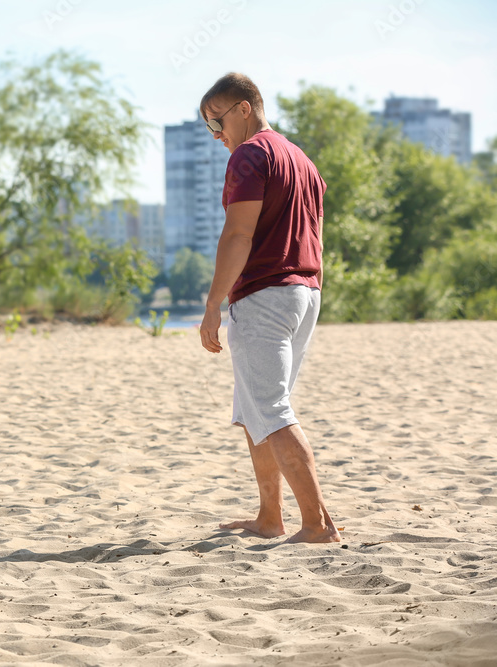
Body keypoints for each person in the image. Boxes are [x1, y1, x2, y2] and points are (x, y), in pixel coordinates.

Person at [197, 73, 339, 544]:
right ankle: (269, 518)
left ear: (244, 108)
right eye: (208, 128)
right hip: (305, 292)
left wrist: (213, 302)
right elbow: (315, 233)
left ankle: (316, 525)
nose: (217, 136)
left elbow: (238, 234)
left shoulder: (250, 154)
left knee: (273, 409)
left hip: (265, 295)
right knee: (255, 409)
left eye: (217, 122)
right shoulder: (302, 159)